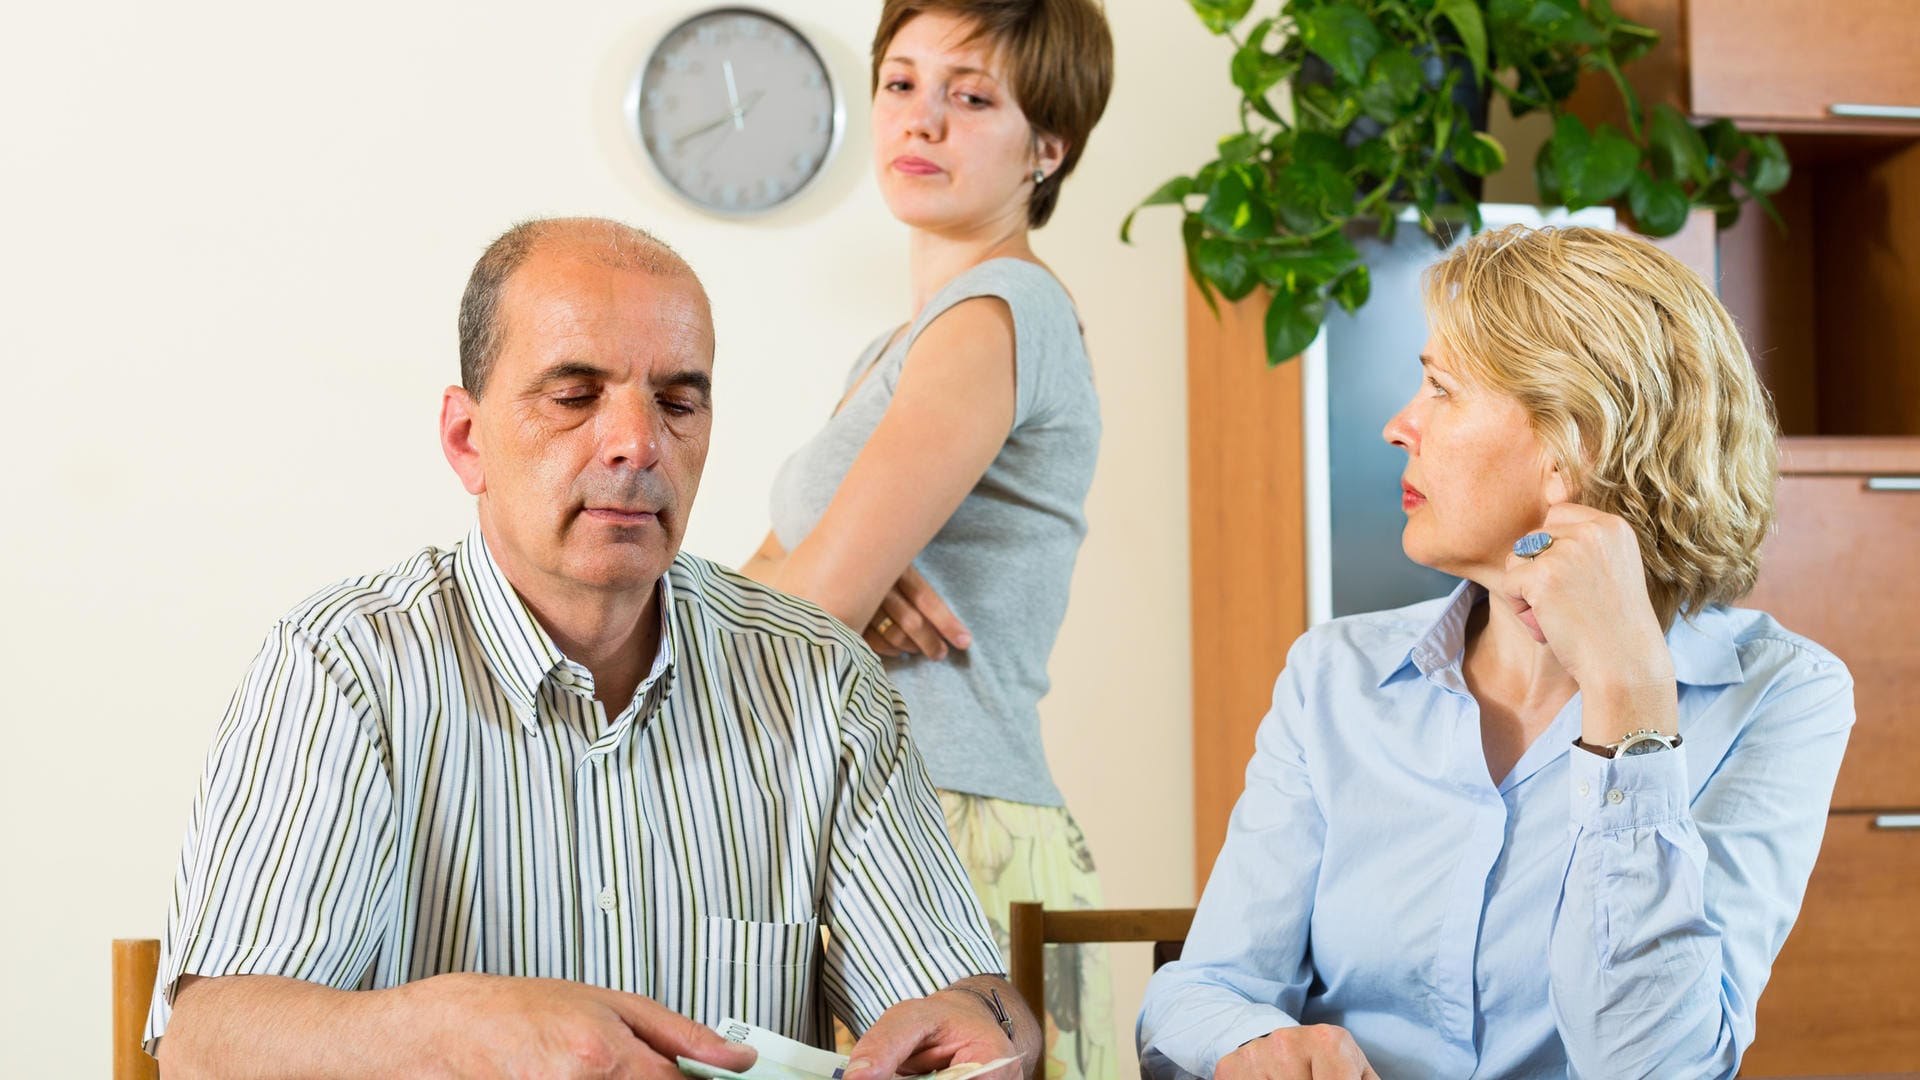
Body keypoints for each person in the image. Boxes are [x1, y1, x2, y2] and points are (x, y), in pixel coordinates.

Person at [146, 217, 1041, 1080]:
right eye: (575, 397)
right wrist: (454, 1031)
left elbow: (975, 997)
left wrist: (983, 1023)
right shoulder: (344, 668)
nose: (638, 443)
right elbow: (210, 1043)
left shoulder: (820, 680)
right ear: (467, 439)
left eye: (678, 401)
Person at [1137, 225, 1854, 1079]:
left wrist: (1629, 703)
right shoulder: (1335, 676)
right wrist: (1253, 1042)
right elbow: (1199, 989)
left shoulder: (1782, 696)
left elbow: (1659, 1066)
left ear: (1573, 445)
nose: (1399, 426)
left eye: (1442, 389)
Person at [739, 2, 1114, 1077]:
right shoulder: (897, 346)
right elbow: (764, 591)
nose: (923, 120)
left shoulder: (999, 310)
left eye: (972, 94)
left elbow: (793, 618)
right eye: (901, 83)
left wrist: (825, 589)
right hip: (873, 822)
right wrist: (826, 583)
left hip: (950, 831)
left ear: (1050, 146)